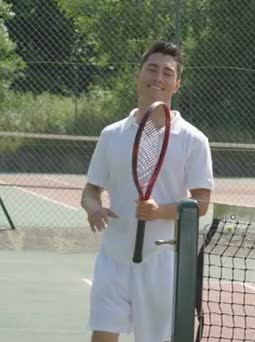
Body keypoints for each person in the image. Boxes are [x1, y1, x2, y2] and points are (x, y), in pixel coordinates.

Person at [81, 40, 214, 342]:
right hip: (113, 257)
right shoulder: (111, 135)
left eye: (167, 73)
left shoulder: (194, 140)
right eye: (152, 69)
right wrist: (94, 208)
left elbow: (202, 202)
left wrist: (160, 211)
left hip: (161, 262)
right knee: (101, 336)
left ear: (177, 83)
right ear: (138, 75)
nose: (158, 78)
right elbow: (90, 190)